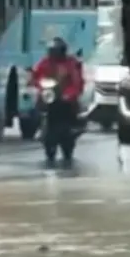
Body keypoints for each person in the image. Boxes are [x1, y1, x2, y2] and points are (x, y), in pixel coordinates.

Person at [31, 37, 84, 165]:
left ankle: (73, 128)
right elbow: (37, 76)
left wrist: (69, 94)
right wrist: (39, 85)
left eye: (56, 51)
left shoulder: (71, 63)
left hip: (66, 99)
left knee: (73, 108)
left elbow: (76, 82)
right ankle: (40, 128)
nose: (54, 54)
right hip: (50, 96)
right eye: (52, 51)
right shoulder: (45, 63)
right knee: (36, 109)